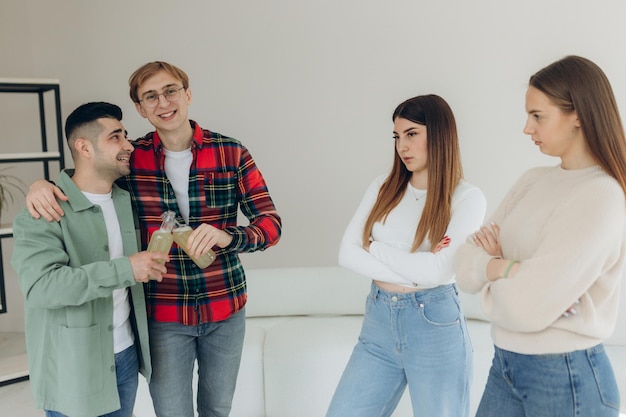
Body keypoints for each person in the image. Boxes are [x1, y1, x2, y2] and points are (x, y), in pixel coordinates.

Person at [25, 61, 282, 417]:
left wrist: (229, 236)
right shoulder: (133, 158)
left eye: (170, 91)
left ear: (187, 94)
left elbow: (270, 224)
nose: (163, 103)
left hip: (225, 307)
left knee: (218, 409)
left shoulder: (231, 152)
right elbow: (88, 177)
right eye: (151, 96)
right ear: (140, 109)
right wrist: (44, 186)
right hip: (163, 314)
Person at [455, 55, 626, 417]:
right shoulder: (533, 180)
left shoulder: (602, 195)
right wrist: (511, 270)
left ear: (577, 115)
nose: (526, 128)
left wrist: (494, 267)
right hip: (505, 367)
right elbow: (465, 264)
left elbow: (526, 306)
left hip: (565, 378)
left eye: (537, 116)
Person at [326, 94, 486, 417]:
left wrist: (377, 249)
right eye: (398, 136)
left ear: (439, 135)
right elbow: (347, 253)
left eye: (412, 134)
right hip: (379, 323)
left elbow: (439, 274)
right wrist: (420, 268)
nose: (402, 146)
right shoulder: (382, 187)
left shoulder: (467, 198)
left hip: (435, 327)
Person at [11, 102, 169, 417]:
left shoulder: (126, 198)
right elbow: (43, 287)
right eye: (116, 138)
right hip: (74, 365)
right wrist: (127, 269)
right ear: (84, 147)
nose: (128, 145)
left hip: (125, 357)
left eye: (126, 136)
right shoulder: (43, 211)